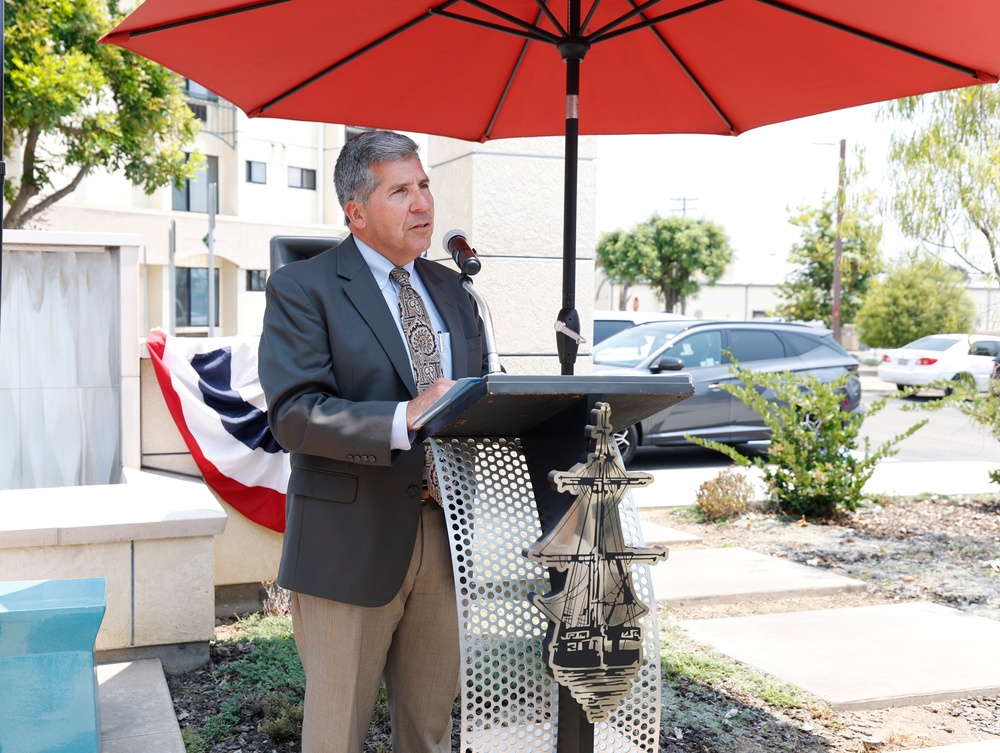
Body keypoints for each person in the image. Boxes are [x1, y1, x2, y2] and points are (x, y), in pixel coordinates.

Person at [258, 129, 488, 753]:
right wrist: (402, 417)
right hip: (348, 548)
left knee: (431, 732)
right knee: (337, 736)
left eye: (424, 186)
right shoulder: (302, 289)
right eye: (401, 191)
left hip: (445, 541)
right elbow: (294, 415)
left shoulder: (454, 292)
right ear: (355, 211)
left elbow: (472, 402)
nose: (423, 205)